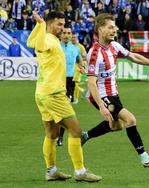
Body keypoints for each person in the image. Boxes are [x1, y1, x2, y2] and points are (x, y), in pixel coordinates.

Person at [81, 13, 149, 167]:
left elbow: (133, 56)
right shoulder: (94, 54)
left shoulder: (114, 46)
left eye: (114, 27)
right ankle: (144, 157)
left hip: (113, 94)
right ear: (100, 30)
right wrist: (101, 105)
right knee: (130, 120)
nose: (114, 30)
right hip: (101, 96)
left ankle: (85, 135)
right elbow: (91, 83)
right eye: (110, 27)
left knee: (117, 126)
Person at [26, 10, 102, 182]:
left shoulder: (48, 38)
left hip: (43, 93)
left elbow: (30, 42)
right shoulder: (47, 39)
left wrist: (39, 25)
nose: (63, 27)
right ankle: (80, 172)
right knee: (75, 131)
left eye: (64, 24)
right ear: (51, 23)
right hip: (53, 94)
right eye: (59, 24)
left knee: (52, 134)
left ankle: (51, 170)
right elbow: (37, 45)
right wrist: (42, 24)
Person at [57, 25, 83, 146]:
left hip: (69, 82)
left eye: (69, 33)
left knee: (65, 110)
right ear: (60, 35)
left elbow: (79, 59)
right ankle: (56, 135)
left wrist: (81, 66)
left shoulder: (75, 48)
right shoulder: (56, 47)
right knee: (57, 110)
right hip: (56, 80)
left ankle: (60, 136)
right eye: (64, 33)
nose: (66, 35)